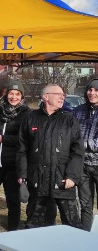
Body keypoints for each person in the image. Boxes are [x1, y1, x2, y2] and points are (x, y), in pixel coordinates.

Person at [18, 83, 83, 229]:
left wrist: (72, 176)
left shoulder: (69, 120)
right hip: (38, 181)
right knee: (34, 224)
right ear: (46, 97)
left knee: (73, 225)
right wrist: (22, 173)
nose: (62, 97)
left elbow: (78, 151)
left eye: (63, 95)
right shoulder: (30, 118)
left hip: (63, 182)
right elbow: (22, 149)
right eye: (58, 94)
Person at [0, 83, 29, 233]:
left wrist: (4, 139)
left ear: (22, 97)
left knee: (12, 200)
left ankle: (13, 229)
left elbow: (25, 139)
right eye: (11, 94)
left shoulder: (26, 113)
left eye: (17, 94)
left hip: (12, 164)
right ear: (6, 95)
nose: (13, 97)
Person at [72, 78, 98, 231]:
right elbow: (72, 134)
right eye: (90, 89)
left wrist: (84, 144)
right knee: (85, 204)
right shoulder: (78, 110)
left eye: (96, 90)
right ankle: (85, 237)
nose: (92, 93)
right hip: (82, 165)